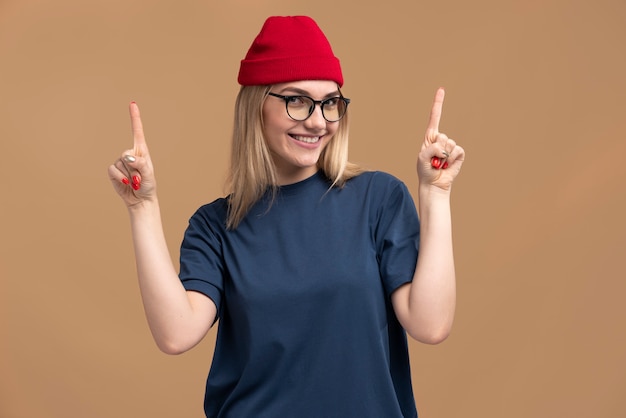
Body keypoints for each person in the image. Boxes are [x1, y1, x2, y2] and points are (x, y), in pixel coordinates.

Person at [108, 15, 464, 418]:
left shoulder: (378, 199)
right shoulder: (216, 226)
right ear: (256, 107)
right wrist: (142, 208)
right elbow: (175, 334)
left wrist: (436, 194)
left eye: (330, 103)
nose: (317, 121)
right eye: (297, 101)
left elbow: (430, 325)